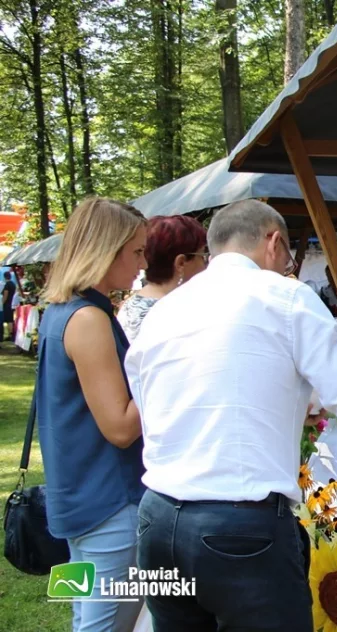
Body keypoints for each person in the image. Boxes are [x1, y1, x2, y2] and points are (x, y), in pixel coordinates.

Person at [126, 200, 337, 631]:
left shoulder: (165, 309)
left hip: (157, 519)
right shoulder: (286, 296)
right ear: (273, 242)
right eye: (288, 256)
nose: (288, 265)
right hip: (239, 523)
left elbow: (157, 403)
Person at [35, 198, 148, 632]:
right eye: (136, 251)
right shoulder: (88, 317)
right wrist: (166, 371)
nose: (141, 264)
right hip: (109, 503)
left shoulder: (64, 310)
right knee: (102, 624)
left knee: (86, 616)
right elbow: (120, 427)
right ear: (107, 248)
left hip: (77, 498)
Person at [116, 215, 207, 342]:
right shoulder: (174, 316)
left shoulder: (131, 305)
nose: (206, 264)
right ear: (181, 263)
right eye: (202, 255)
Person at [2, 271, 15, 341]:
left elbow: (5, 295)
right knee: (11, 319)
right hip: (12, 303)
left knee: (8, 319)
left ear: (5, 277)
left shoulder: (7, 285)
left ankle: (10, 334)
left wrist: (2, 303)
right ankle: (11, 333)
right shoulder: (13, 284)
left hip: (7, 304)